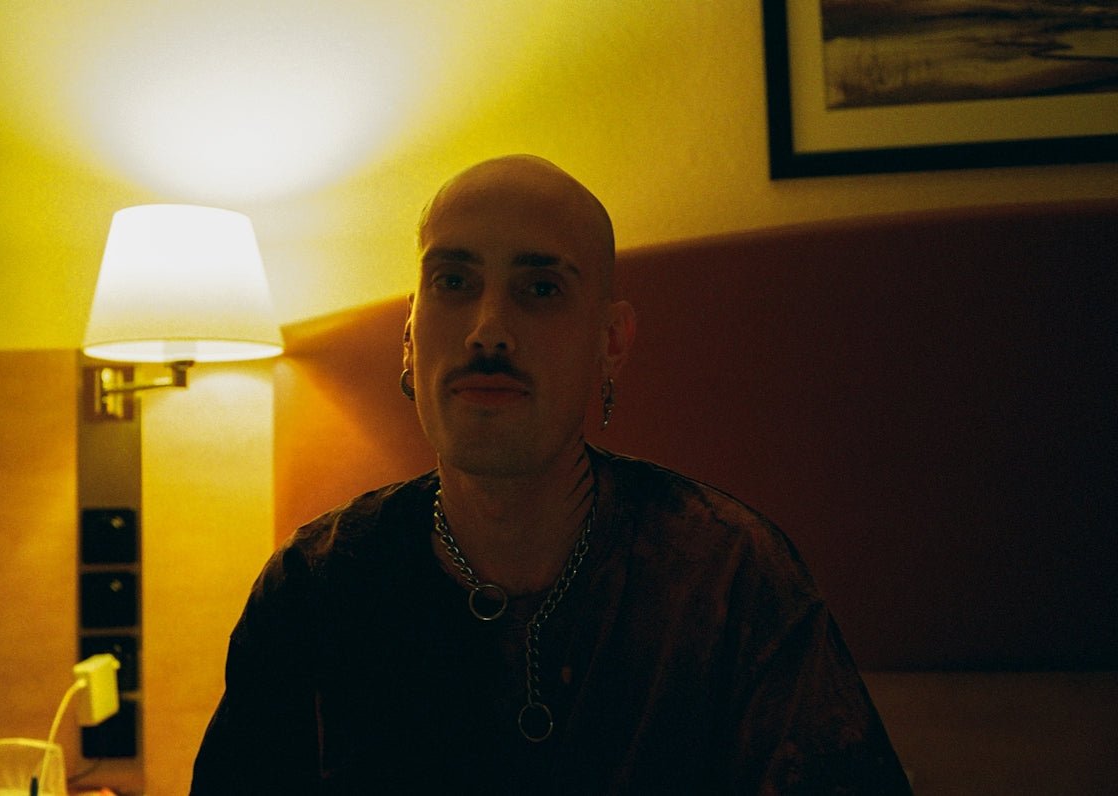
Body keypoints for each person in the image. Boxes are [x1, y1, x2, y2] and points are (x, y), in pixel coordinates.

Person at [190, 155, 912, 793]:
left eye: (539, 289)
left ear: (611, 342)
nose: (487, 331)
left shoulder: (727, 581)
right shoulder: (313, 592)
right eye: (452, 281)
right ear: (410, 338)